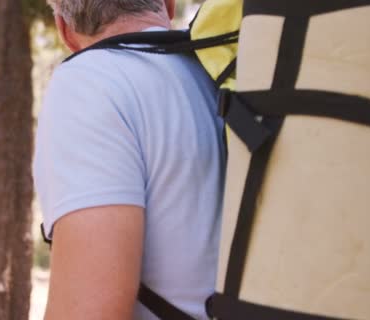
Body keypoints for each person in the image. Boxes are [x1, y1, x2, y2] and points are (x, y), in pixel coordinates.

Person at [33, 0, 226, 319]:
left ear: (65, 31)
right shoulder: (222, 77)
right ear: (168, 4)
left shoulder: (89, 83)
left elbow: (92, 309)